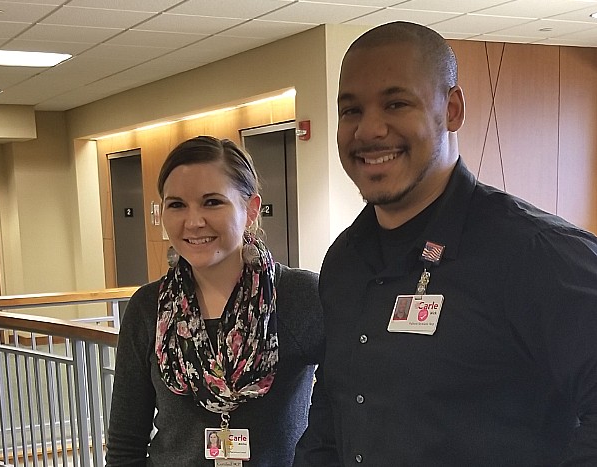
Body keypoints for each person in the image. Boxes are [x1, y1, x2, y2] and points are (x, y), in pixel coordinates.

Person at [294, 21, 597, 466]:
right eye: (351, 111)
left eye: (396, 103)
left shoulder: (537, 255)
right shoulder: (344, 261)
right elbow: (334, 406)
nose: (369, 130)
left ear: (451, 109)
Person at [106, 136, 324, 466]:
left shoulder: (299, 296)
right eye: (176, 204)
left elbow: (349, 407)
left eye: (212, 202)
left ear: (250, 210)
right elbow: (125, 443)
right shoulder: (148, 307)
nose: (193, 222)